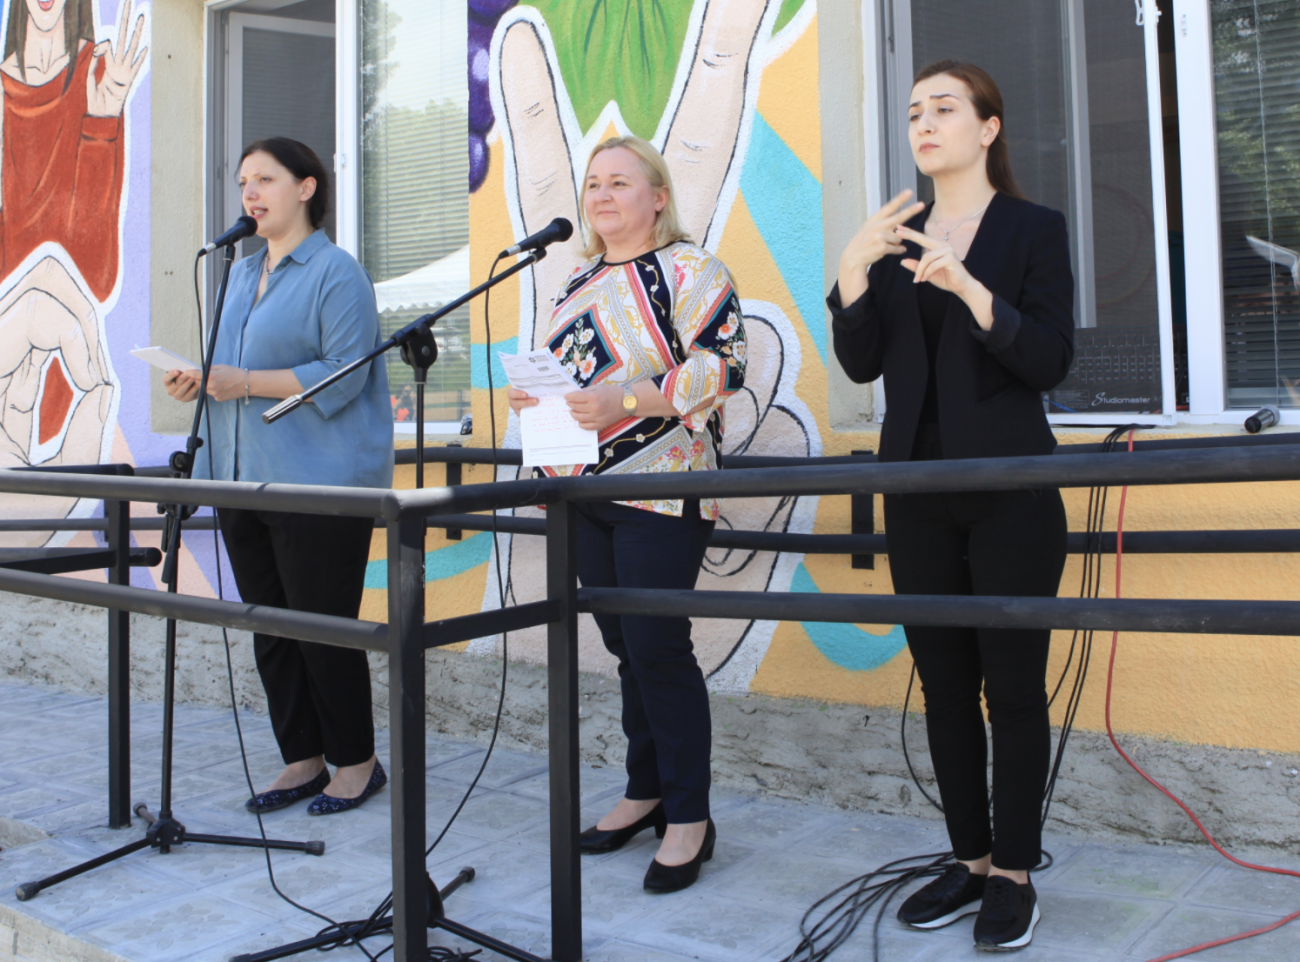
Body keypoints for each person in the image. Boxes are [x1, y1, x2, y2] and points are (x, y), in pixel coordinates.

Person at [829, 61, 1074, 950]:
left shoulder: (1032, 230)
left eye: (943, 109)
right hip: (918, 493)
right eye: (911, 113)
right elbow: (861, 367)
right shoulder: (895, 238)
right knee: (941, 688)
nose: (923, 124)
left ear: (988, 128)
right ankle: (968, 860)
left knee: (1011, 688)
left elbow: (1048, 358)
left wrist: (968, 286)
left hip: (1010, 493)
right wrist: (854, 273)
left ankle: (1014, 870)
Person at [508, 135, 745, 894]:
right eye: (594, 184)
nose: (603, 196)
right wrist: (536, 394)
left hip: (662, 487)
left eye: (620, 182)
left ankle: (689, 817)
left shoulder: (695, 270)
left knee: (658, 646)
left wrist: (630, 399)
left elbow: (721, 365)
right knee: (622, 646)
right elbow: (573, 379)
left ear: (658, 196)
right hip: (583, 491)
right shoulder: (574, 280)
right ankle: (645, 792)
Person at [163, 137, 394, 816]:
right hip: (239, 476)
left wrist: (244, 382)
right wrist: (200, 382)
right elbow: (229, 372)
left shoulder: (337, 273)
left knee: (322, 627)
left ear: (307, 188)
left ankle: (357, 764)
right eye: (242, 183)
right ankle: (302, 758)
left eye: (265, 179)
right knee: (270, 627)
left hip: (315, 483)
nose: (250, 194)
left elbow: (346, 374)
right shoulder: (238, 273)